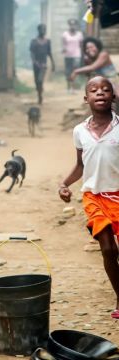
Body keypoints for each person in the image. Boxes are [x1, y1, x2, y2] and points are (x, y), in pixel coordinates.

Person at [59, 76, 119, 319]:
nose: (100, 93)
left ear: (113, 97)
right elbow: (80, 165)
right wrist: (64, 184)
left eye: (106, 89)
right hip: (94, 196)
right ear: (86, 99)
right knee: (108, 249)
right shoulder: (80, 131)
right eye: (94, 90)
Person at [30, 24, 55, 104]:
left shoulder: (47, 42)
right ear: (38, 30)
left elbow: (49, 53)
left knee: (40, 80)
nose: (43, 31)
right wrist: (34, 61)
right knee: (36, 81)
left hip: (43, 65)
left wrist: (53, 63)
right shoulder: (34, 41)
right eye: (41, 29)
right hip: (36, 65)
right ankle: (39, 92)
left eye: (44, 29)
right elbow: (32, 53)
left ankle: (40, 95)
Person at [62, 19, 83, 93]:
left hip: (76, 55)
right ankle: (68, 87)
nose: (72, 26)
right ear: (69, 25)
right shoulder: (65, 34)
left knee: (75, 71)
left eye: (74, 24)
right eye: (71, 24)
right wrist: (64, 50)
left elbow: (81, 45)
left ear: (76, 25)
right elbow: (64, 45)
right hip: (67, 55)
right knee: (68, 71)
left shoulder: (79, 34)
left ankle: (73, 88)